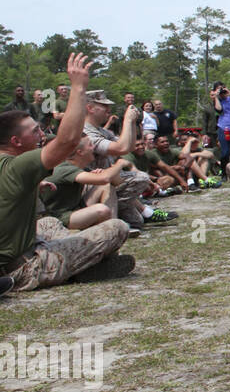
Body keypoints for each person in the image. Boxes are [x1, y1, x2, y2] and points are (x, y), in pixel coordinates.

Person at [0, 54, 133, 292]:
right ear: (16, 141)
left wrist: (32, 188)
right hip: (25, 267)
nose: (41, 134)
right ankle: (81, 267)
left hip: (9, 256)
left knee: (49, 222)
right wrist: (78, 88)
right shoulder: (18, 166)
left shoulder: (9, 167)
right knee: (117, 228)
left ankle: (81, 262)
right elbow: (68, 141)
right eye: (35, 131)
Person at [84, 91, 173, 227]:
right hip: (92, 186)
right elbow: (120, 148)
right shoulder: (85, 132)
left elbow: (128, 146)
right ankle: (105, 218)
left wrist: (132, 123)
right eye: (103, 106)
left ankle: (130, 211)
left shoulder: (101, 131)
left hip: (110, 181)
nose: (108, 110)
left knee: (137, 221)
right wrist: (127, 120)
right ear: (90, 108)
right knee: (141, 178)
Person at [38, 135, 125, 230]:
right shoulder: (65, 168)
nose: (94, 147)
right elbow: (105, 178)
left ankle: (114, 228)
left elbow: (118, 182)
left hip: (74, 210)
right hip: (59, 217)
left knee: (106, 187)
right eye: (90, 145)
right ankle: (111, 230)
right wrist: (119, 164)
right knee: (101, 210)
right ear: (80, 152)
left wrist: (101, 174)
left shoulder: (80, 167)